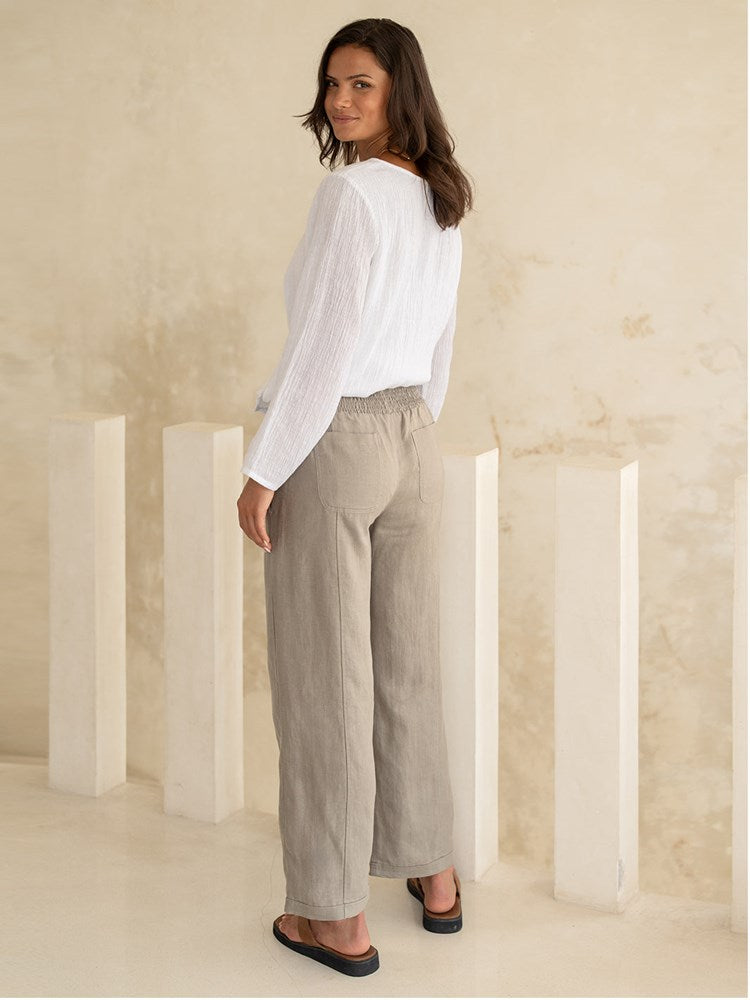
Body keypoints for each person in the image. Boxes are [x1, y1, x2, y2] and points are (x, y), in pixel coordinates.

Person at [237, 17, 473, 977]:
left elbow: (322, 346)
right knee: (407, 665)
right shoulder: (443, 196)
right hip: (415, 437)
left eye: (360, 84)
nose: (340, 101)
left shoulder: (353, 194)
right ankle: (434, 873)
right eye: (333, 83)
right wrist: (413, 429)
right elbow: (441, 344)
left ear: (398, 90)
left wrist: (266, 467)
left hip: (337, 440)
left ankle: (333, 917)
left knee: (324, 681)